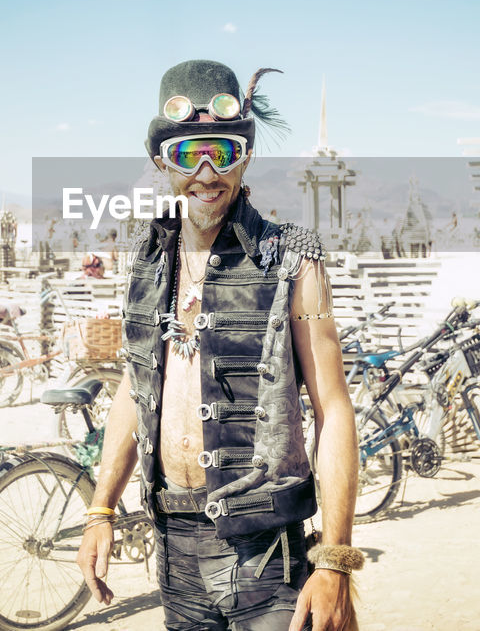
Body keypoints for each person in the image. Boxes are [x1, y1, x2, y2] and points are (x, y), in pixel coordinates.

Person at [77, 60, 360, 631]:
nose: (206, 173)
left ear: (245, 156)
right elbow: (136, 388)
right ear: (163, 163)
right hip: (175, 544)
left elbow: (333, 408)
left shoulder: (291, 261)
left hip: (264, 549)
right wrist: (101, 507)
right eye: (188, 155)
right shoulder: (150, 260)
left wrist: (335, 562)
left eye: (222, 153)